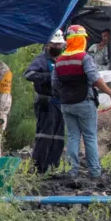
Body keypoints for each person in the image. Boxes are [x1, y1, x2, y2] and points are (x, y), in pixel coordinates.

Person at [53, 25, 111, 179]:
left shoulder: (59, 60)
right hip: (84, 102)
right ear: (81, 40)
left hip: (67, 104)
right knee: (89, 136)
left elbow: (54, 83)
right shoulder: (84, 58)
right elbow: (95, 79)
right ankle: (94, 171)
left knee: (73, 137)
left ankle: (72, 171)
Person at [25, 30, 67, 173]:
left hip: (59, 102)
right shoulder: (41, 60)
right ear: (49, 44)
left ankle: (52, 166)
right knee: (45, 135)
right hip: (45, 101)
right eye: (54, 44)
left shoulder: (61, 59)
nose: (57, 47)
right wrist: (49, 77)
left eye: (59, 44)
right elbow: (29, 74)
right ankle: (38, 168)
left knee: (58, 136)